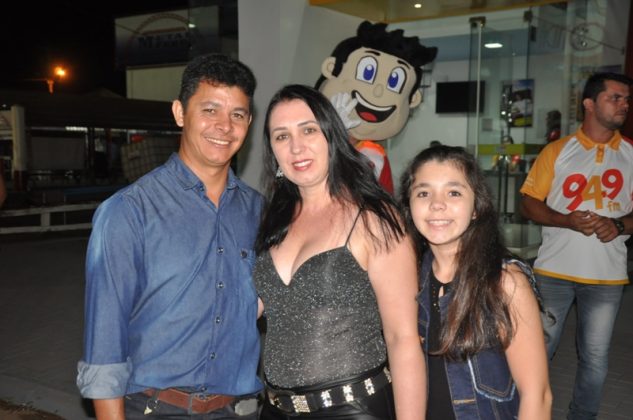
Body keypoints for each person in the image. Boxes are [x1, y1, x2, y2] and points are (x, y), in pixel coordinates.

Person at [76, 53, 264, 419]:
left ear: (249, 123)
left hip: (235, 410)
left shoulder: (259, 212)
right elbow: (104, 340)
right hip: (153, 408)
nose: (224, 126)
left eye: (237, 115)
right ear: (180, 113)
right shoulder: (129, 211)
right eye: (210, 110)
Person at [253, 84, 426, 419]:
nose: (296, 147)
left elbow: (403, 339)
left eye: (308, 130)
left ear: (331, 136)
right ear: (272, 150)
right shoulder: (273, 218)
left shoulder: (374, 218)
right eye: (282, 136)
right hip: (274, 409)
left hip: (352, 409)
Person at [400, 145, 552, 419]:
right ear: (409, 206)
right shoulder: (408, 279)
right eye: (423, 193)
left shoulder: (504, 282)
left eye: (454, 192)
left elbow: (537, 395)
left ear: (476, 209)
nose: (437, 204)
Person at [520, 72, 633, 419]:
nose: (624, 105)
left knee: (595, 358)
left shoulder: (631, 154)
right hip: (553, 271)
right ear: (589, 103)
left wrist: (618, 225)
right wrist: (566, 220)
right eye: (615, 98)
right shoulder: (557, 151)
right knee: (537, 352)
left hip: (607, 276)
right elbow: (528, 203)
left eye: (627, 100)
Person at [316, 21, 437, 194]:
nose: (378, 92)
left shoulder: (375, 156)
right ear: (331, 68)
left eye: (394, 82)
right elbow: (284, 178)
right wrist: (332, 135)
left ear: (413, 99)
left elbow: (380, 201)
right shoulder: (305, 135)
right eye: (367, 72)